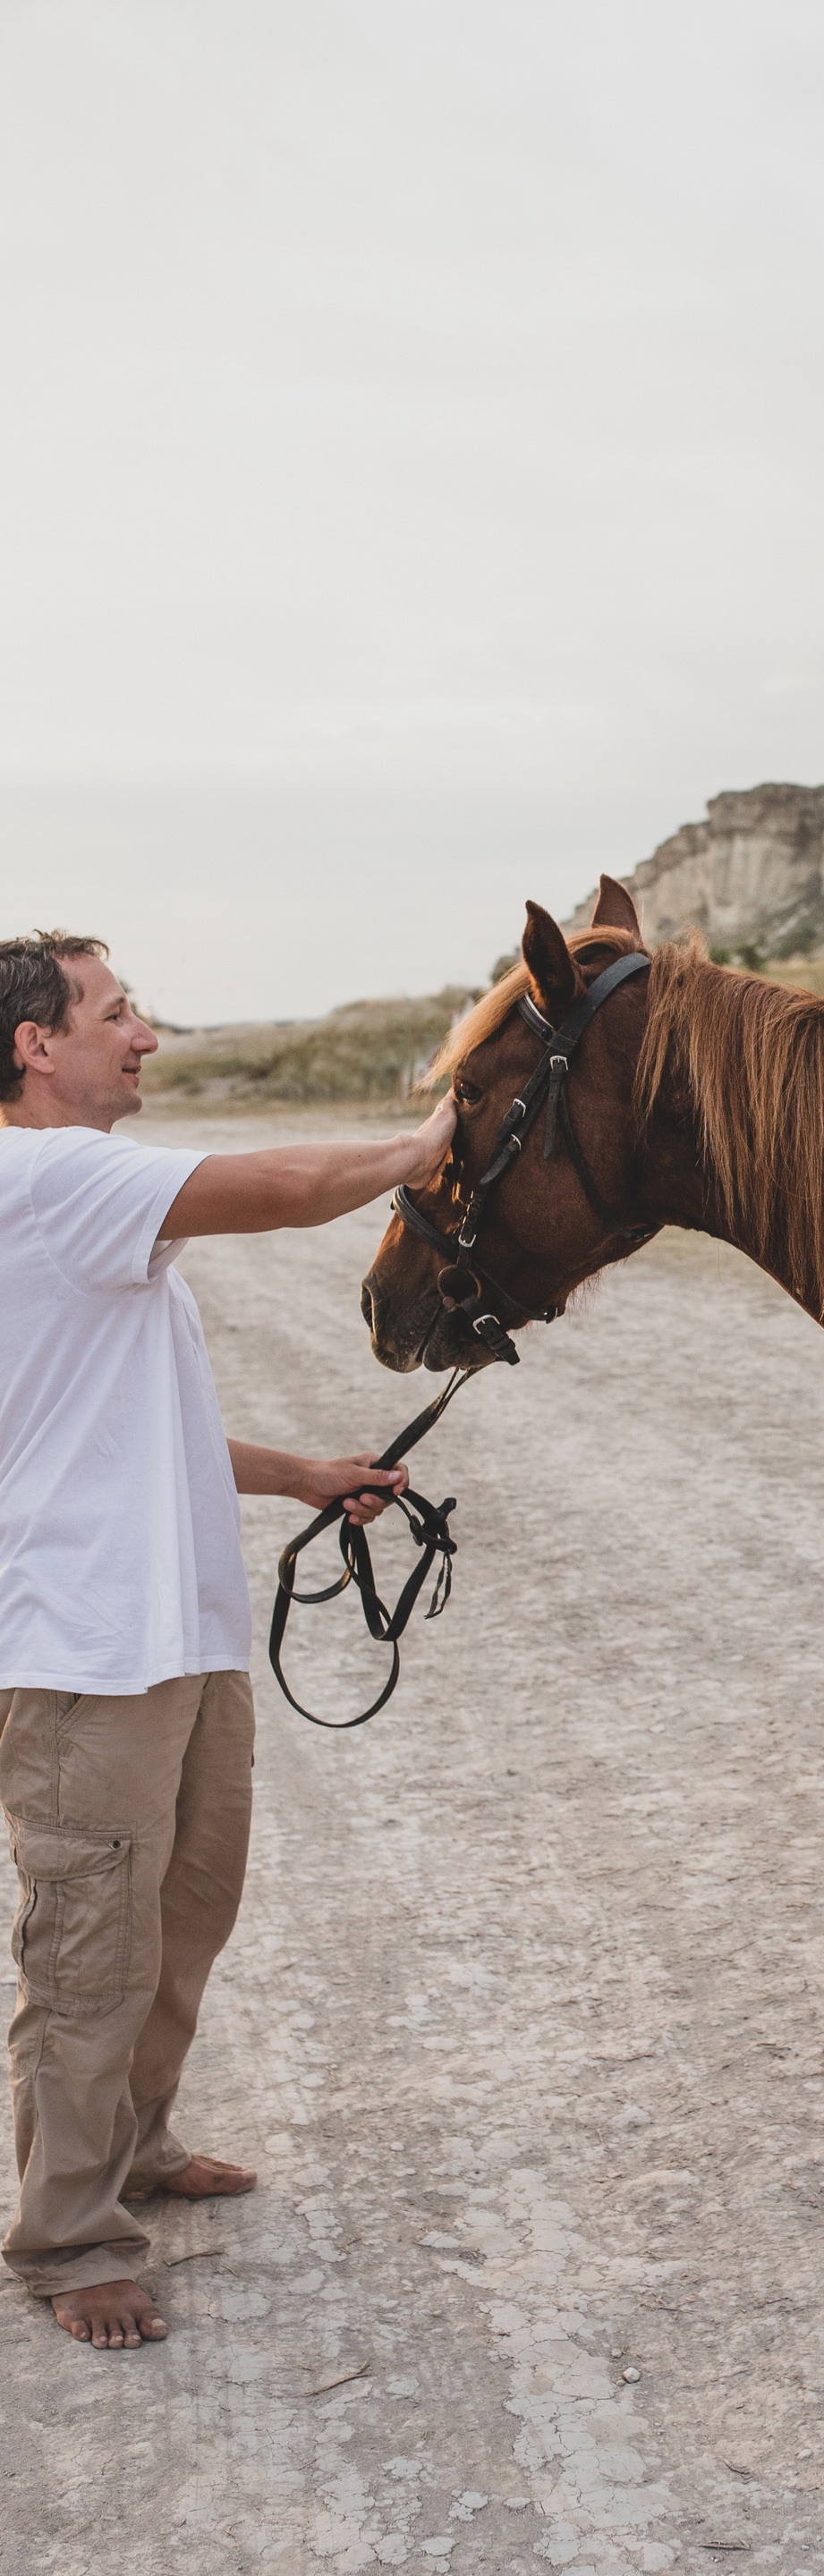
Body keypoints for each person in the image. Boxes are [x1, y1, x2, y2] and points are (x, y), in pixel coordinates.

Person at [0, 931, 456, 2351]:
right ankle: (70, 2241)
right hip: (85, 1653)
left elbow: (132, 1415)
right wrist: (432, 1140)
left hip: (168, 1634)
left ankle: (134, 2149)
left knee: (182, 1912)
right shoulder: (44, 1175)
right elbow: (286, 1187)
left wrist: (307, 1475)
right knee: (92, 1947)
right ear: (34, 1044)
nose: (145, 1035)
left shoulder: (77, 1197)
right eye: (117, 1012)